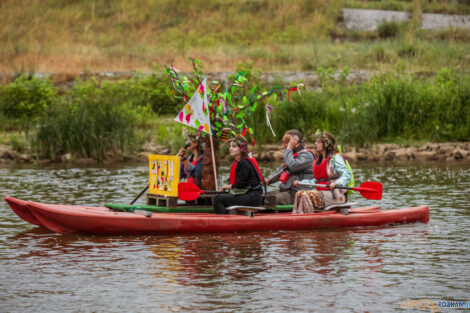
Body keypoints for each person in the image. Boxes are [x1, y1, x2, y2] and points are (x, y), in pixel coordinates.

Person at [292, 130, 352, 214]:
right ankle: (301, 216)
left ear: (327, 144)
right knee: (299, 194)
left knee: (305, 195)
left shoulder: (336, 158)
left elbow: (346, 175)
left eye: (319, 142)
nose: (315, 144)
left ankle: (305, 219)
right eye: (315, 141)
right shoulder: (318, 162)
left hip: (336, 195)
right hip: (322, 193)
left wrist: (337, 183)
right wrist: (301, 183)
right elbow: (316, 181)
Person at [212, 136, 264, 214]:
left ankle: (223, 222)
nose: (230, 149)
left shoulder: (243, 162)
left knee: (216, 198)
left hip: (252, 197)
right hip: (250, 195)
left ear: (241, 149)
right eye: (230, 146)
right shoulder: (240, 162)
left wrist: (225, 187)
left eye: (234, 146)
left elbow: (240, 185)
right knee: (218, 195)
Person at [265, 130, 315, 205]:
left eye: (286, 142)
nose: (283, 145)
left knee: (269, 200)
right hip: (286, 192)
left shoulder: (307, 156)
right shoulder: (292, 156)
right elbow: (281, 171)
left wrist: (288, 149)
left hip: (297, 194)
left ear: (296, 143)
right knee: (262, 197)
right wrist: (268, 180)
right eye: (283, 142)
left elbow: (292, 166)